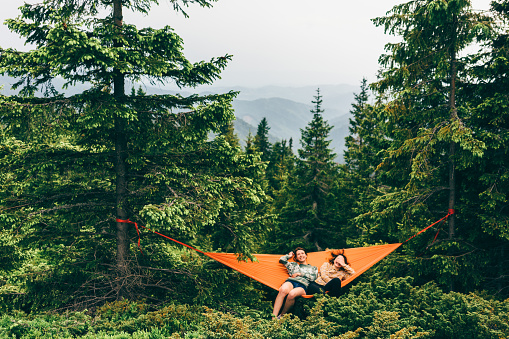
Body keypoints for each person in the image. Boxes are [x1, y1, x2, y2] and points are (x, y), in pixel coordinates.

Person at [272, 247, 318, 318]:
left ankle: (281, 315)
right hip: (291, 281)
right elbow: (282, 260)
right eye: (298, 254)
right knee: (283, 290)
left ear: (306, 255)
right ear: (296, 257)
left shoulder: (313, 268)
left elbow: (313, 277)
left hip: (303, 286)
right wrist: (289, 255)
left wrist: (300, 274)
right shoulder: (293, 265)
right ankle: (273, 318)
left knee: (292, 294)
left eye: (302, 253)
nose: (301, 255)